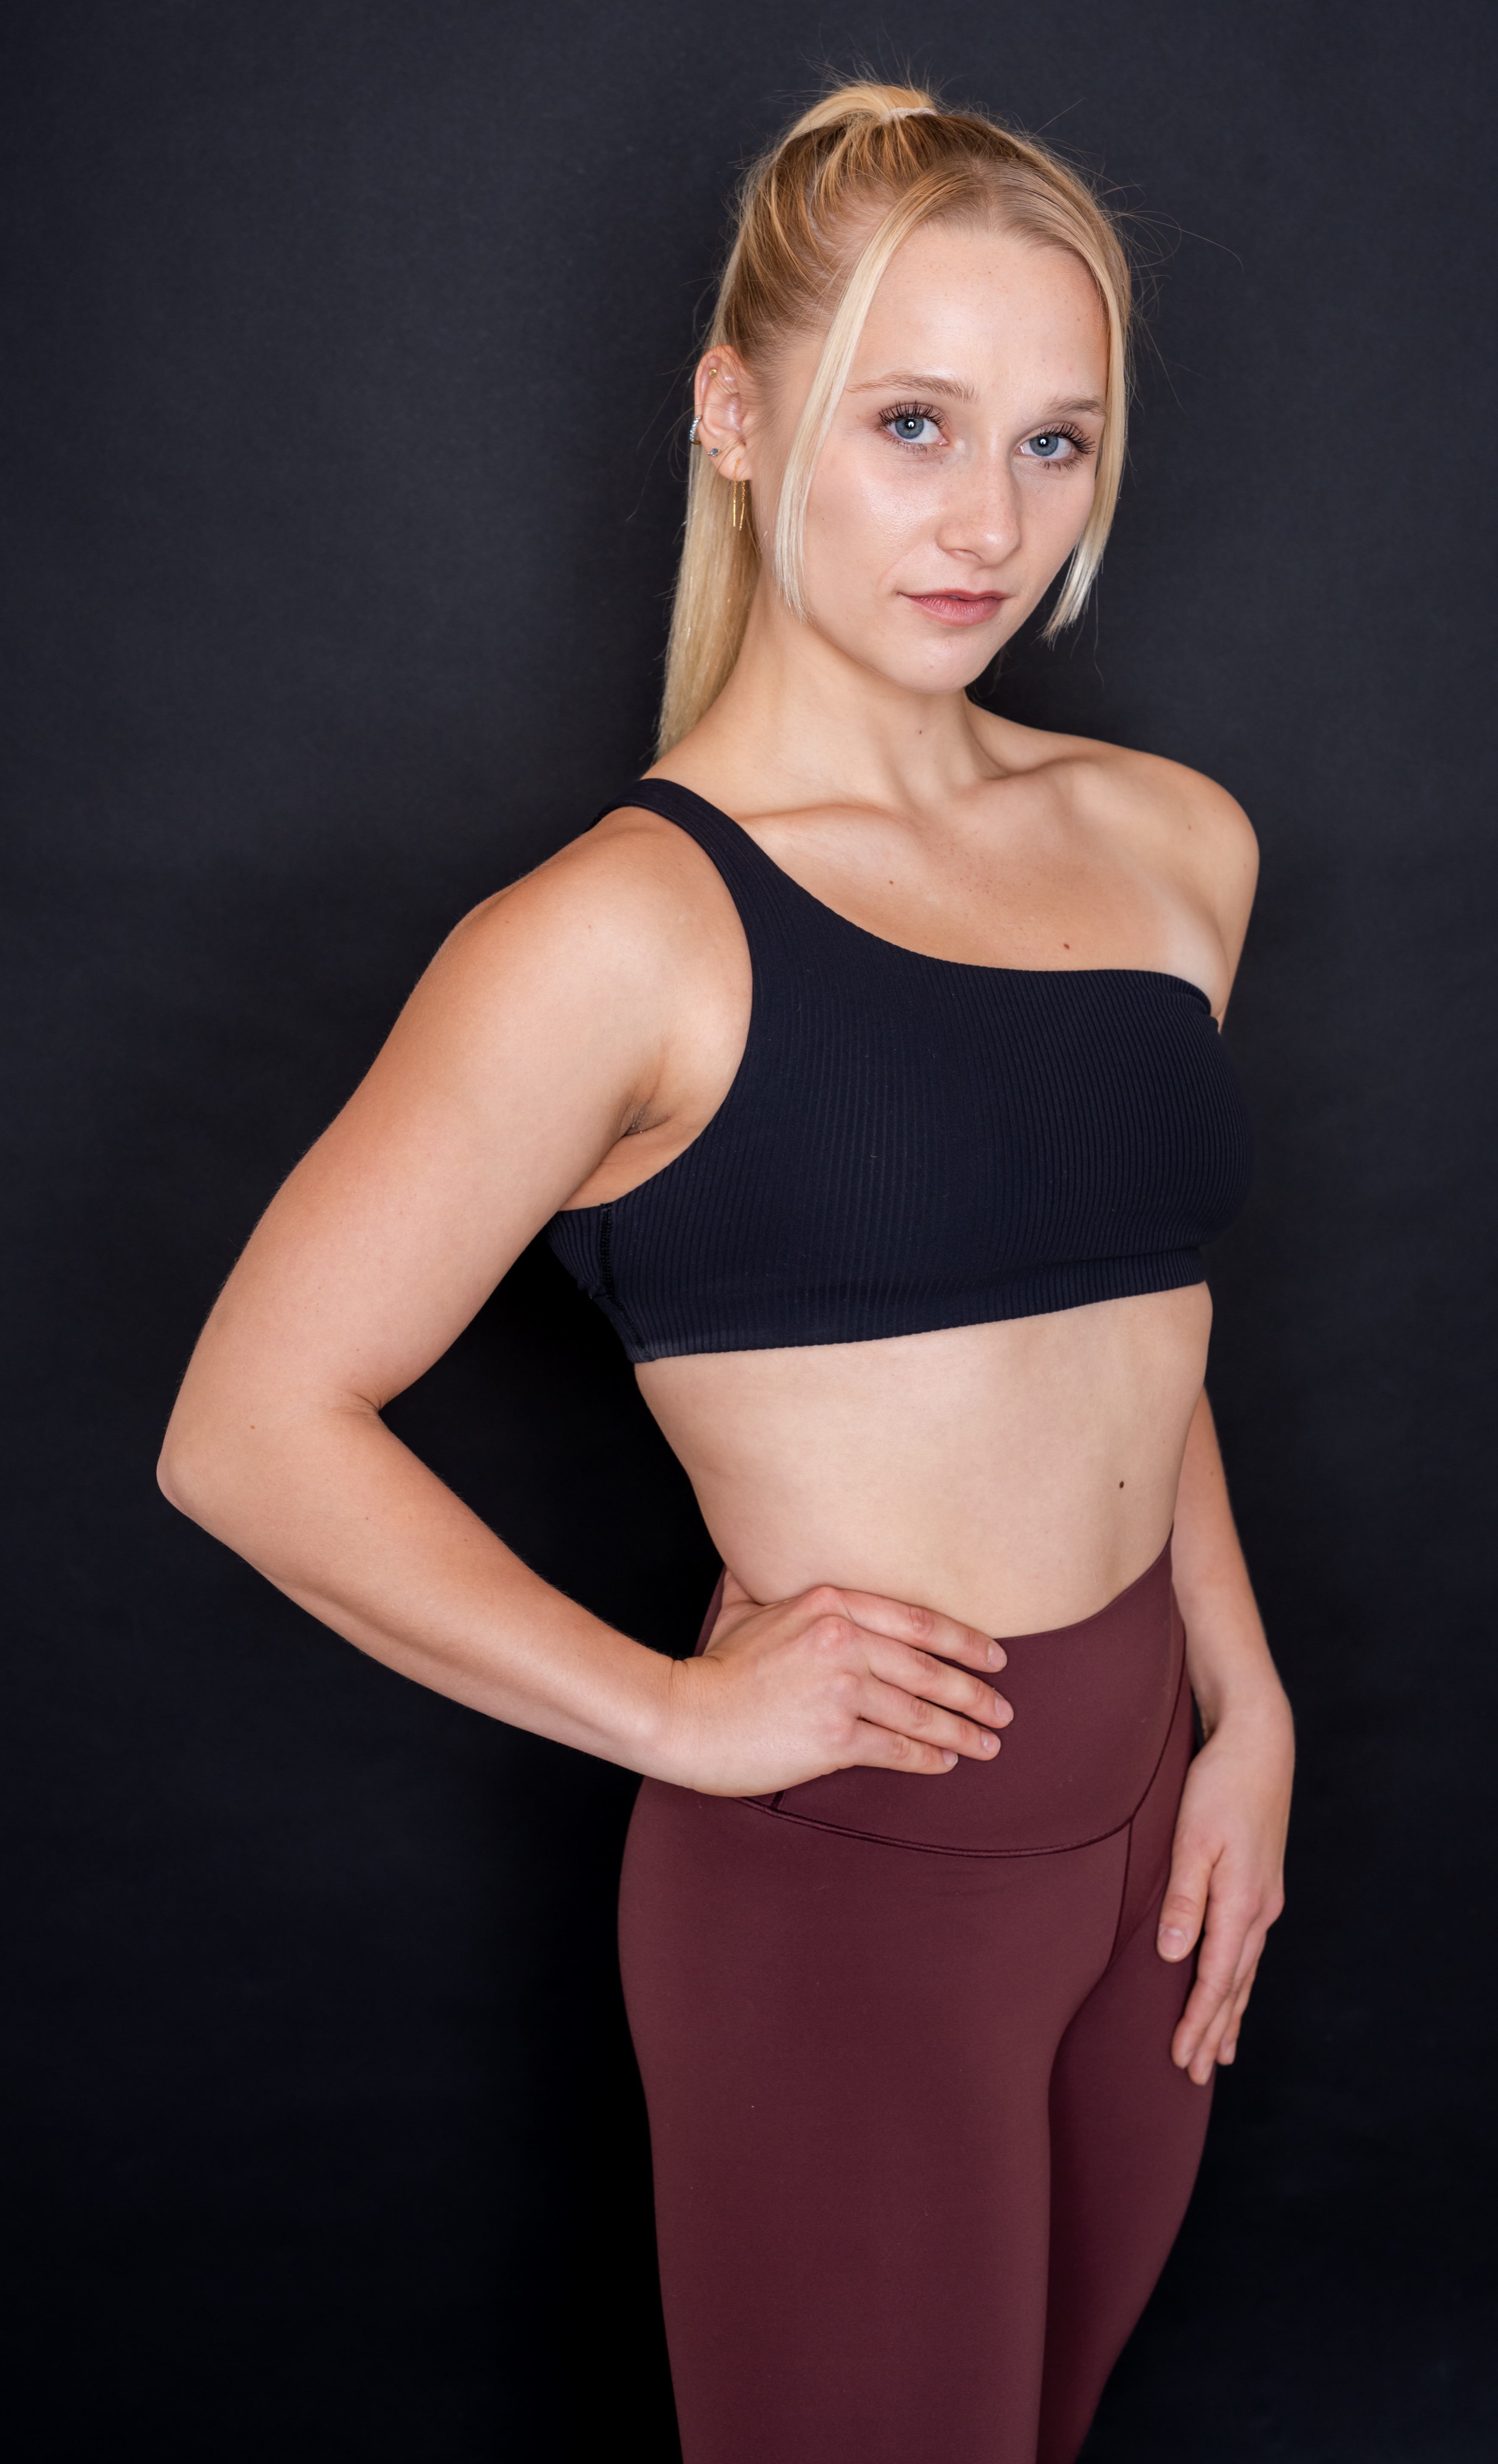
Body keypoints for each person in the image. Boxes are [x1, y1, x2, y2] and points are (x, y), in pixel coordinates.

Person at [159, 80, 1295, 2464]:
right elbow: (246, 1429)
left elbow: (1122, 1316)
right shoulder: (619, 935)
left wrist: (1247, 1700)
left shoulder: (1171, 845)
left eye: (1054, 444)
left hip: (1150, 1846)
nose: (988, 523)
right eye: (911, 423)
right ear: (736, 413)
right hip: (853, 1889)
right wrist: (671, 1717)